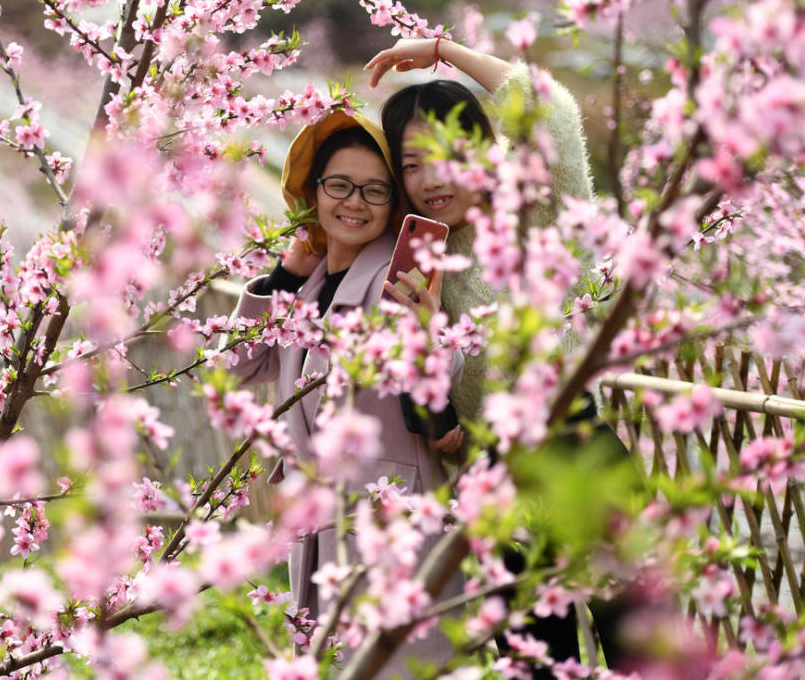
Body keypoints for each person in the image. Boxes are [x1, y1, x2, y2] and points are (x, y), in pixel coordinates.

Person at [366, 37, 633, 677]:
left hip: (580, 451)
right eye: (412, 164)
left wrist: (441, 50)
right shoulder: (413, 262)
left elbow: (554, 115)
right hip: (492, 481)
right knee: (537, 663)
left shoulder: (537, 218)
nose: (433, 179)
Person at [223, 110, 459, 673]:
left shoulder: (393, 281)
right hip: (322, 527)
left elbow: (438, 376)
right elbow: (234, 368)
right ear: (313, 194)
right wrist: (280, 279)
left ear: (393, 203)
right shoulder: (306, 285)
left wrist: (429, 331)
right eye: (339, 186)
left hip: (388, 529)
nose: (355, 202)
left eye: (375, 190)